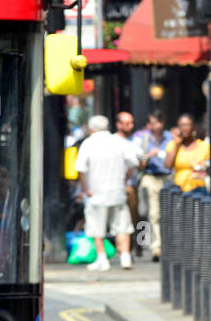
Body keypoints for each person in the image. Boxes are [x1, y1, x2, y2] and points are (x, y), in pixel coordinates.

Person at [74, 115, 138, 271]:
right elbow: (134, 162)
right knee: (122, 225)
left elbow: (81, 169)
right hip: (117, 190)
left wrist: (85, 188)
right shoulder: (118, 142)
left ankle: (102, 258)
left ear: (92, 128)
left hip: (96, 192)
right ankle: (125, 256)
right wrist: (125, 177)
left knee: (96, 227)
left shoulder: (88, 143)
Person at [133, 110, 173, 261]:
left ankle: (167, 245)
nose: (153, 126)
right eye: (151, 123)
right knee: (153, 213)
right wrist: (149, 155)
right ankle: (156, 247)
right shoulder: (142, 138)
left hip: (167, 177)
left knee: (167, 213)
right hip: (150, 177)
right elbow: (137, 159)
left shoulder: (170, 137)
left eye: (156, 122)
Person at [114, 111, 142, 247]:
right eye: (126, 123)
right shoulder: (112, 141)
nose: (130, 126)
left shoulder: (137, 140)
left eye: (131, 123)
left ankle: (136, 243)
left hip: (132, 184)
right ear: (118, 125)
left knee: (134, 215)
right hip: (115, 184)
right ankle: (123, 246)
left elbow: (140, 163)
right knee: (118, 217)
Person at [164, 114, 209, 193]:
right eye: (182, 125)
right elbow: (168, 165)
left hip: (199, 190)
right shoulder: (173, 145)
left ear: (193, 127)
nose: (184, 128)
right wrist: (177, 144)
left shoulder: (204, 146)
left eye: (187, 125)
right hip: (179, 190)